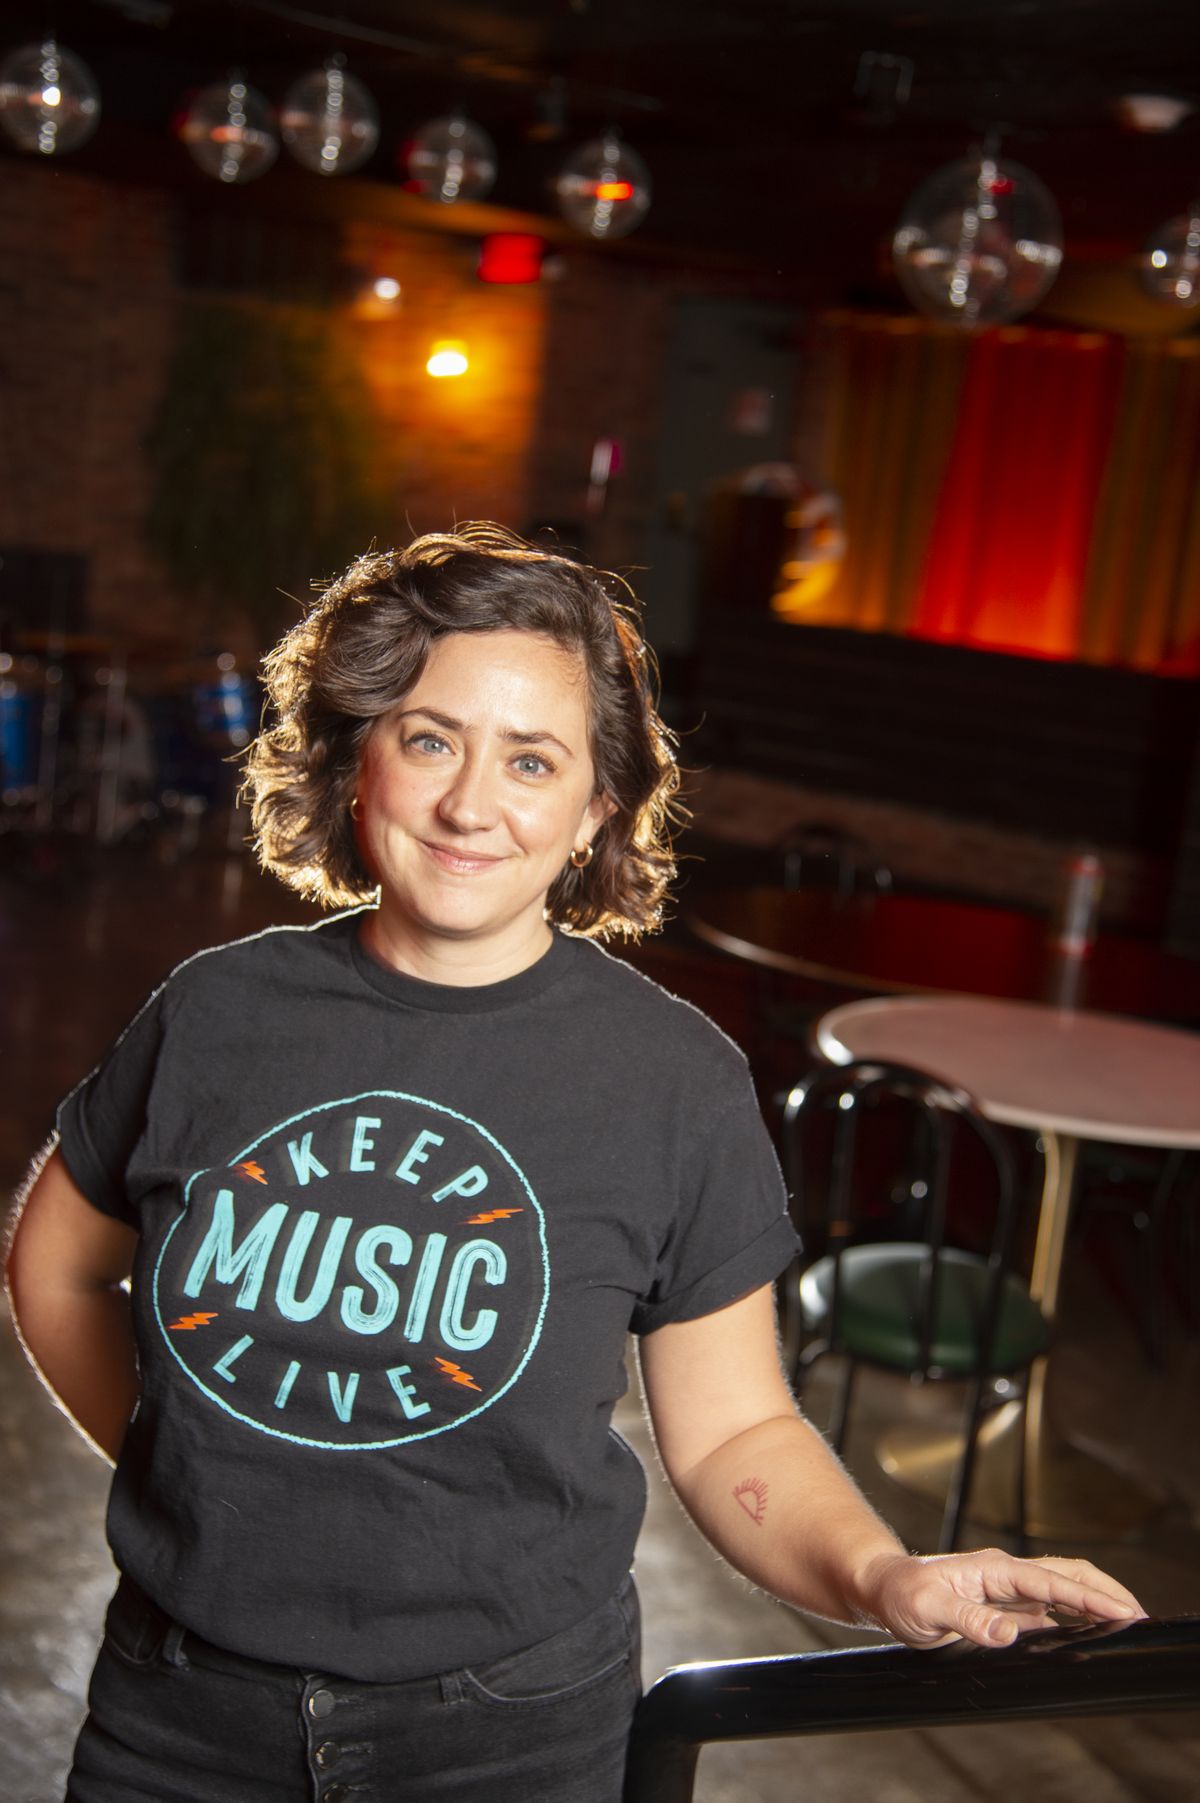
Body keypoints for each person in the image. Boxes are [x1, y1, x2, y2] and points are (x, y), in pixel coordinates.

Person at [6, 524, 1143, 1803]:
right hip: (176, 1713)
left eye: (531, 760)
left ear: (597, 802)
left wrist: (887, 1576)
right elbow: (55, 1270)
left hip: (502, 1735)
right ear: (356, 753)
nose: (469, 805)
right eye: (429, 737)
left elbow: (734, 1436)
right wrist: (190, 1468)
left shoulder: (674, 1081)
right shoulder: (214, 1013)